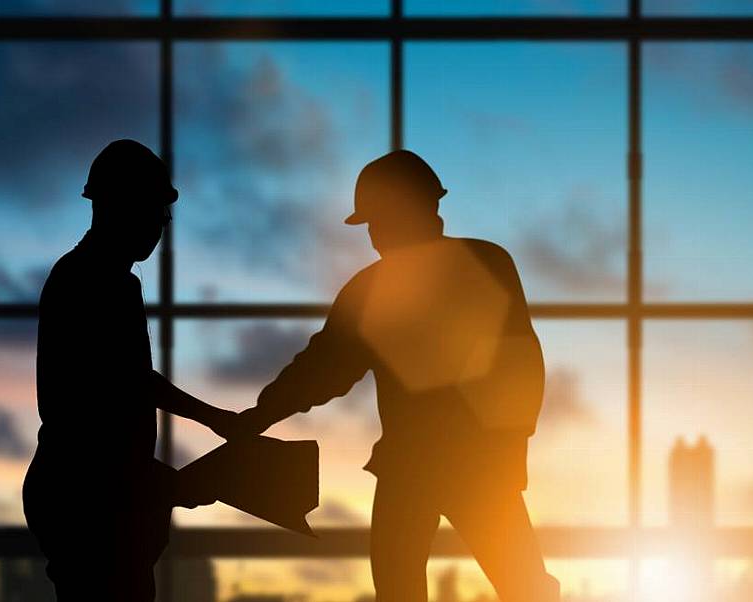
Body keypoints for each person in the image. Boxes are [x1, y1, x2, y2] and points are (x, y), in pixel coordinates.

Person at [228, 150, 561, 602]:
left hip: (419, 466)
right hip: (475, 464)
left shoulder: (373, 288)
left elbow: (321, 370)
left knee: (404, 590)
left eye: (376, 221)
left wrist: (260, 415)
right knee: (523, 588)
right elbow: (521, 363)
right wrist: (507, 450)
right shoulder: (487, 263)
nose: (373, 235)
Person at [23, 139, 238, 601]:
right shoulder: (93, 283)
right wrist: (211, 425)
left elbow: (121, 390)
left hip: (86, 491)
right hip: (88, 498)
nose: (161, 227)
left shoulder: (98, 279)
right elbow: (115, 393)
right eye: (155, 213)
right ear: (121, 207)